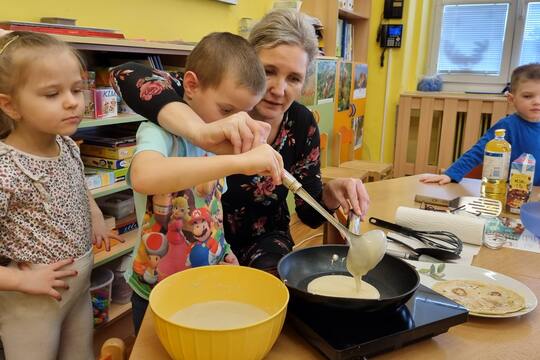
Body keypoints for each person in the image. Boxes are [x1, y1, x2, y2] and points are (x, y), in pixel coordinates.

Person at [112, 9, 370, 276]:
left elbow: (309, 213)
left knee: (270, 286)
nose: (279, 90)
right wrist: (202, 133)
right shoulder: (208, 98)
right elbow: (125, 74)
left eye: (293, 78)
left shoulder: (302, 123)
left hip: (256, 242)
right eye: (269, 71)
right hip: (193, 246)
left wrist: (331, 193)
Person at [112, 32, 284, 334]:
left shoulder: (215, 141)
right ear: (191, 85)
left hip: (206, 280)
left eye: (244, 113)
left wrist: (225, 252)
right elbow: (144, 176)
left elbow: (212, 211)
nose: (235, 122)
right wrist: (238, 162)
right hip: (157, 291)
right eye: (227, 110)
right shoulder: (159, 132)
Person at [0, 31, 119, 360]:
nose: (72, 102)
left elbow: (79, 185)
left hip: (77, 286)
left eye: (77, 89)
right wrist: (22, 282)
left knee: (80, 353)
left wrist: (95, 215)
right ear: (10, 105)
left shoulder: (66, 145)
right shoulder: (5, 168)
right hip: (31, 298)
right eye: (52, 94)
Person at [420, 63, 540, 186]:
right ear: (511, 99)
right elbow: (478, 151)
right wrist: (450, 174)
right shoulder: (507, 126)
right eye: (528, 96)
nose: (537, 101)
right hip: (513, 194)